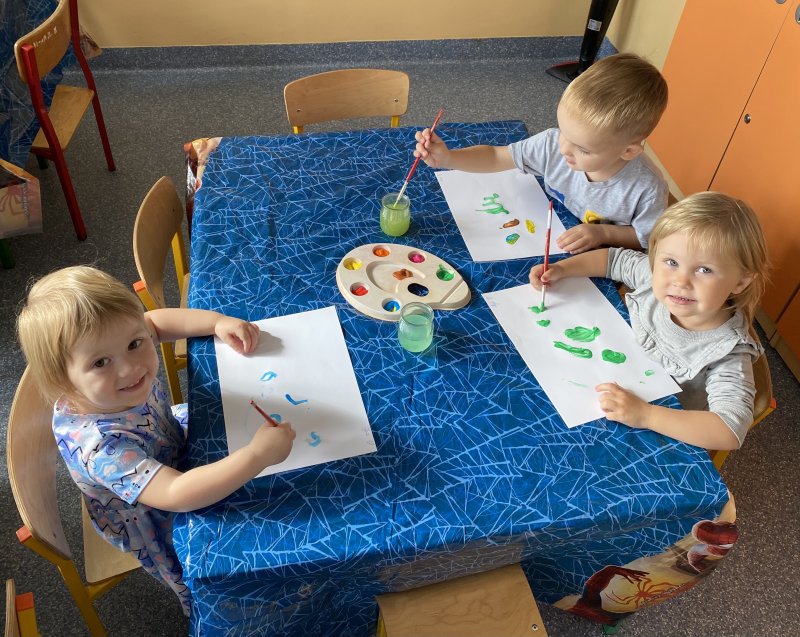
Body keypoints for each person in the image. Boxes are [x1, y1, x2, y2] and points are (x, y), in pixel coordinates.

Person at [16, 265, 296, 615]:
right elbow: (178, 494)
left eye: (134, 344)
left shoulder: (115, 365)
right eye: (101, 362)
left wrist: (216, 322)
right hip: (154, 508)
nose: (130, 368)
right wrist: (257, 456)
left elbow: (154, 323)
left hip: (166, 440)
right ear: (63, 379)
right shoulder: (103, 449)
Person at [529, 192, 769, 450]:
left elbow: (729, 431)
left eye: (704, 270)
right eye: (671, 261)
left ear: (741, 281)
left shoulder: (727, 352)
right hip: (607, 385)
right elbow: (614, 260)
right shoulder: (654, 277)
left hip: (658, 429)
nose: (680, 281)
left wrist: (647, 415)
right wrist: (563, 269)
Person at [414, 52, 669, 253]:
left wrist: (603, 233)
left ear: (628, 151)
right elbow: (495, 157)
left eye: (582, 149)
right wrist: (449, 158)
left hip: (597, 253)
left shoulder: (646, 188)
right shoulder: (551, 144)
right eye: (564, 133)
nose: (564, 149)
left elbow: (649, 238)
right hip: (546, 229)